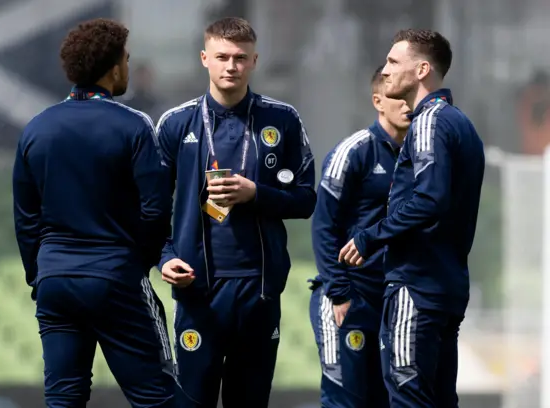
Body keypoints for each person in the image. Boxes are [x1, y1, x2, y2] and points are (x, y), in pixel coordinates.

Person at [12, 18, 175, 408]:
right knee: (159, 398)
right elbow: (156, 209)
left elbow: (26, 217)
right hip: (115, 277)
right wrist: (141, 263)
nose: (128, 68)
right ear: (114, 67)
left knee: (64, 399)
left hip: (55, 282)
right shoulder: (134, 125)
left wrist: (40, 274)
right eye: (127, 59)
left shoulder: (36, 128)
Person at [155, 17, 316, 408]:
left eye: (241, 58)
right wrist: (165, 255)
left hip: (258, 290)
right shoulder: (177, 123)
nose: (231, 66)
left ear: (255, 60)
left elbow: (306, 198)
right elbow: (152, 206)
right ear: (204, 58)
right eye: (223, 56)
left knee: (250, 402)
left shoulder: (282, 119)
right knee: (192, 401)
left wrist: (256, 193)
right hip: (197, 289)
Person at [339, 29, 485, 407]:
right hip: (447, 289)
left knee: (409, 401)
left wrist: (371, 236)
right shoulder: (461, 124)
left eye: (392, 62)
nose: (385, 71)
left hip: (416, 287)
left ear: (421, 70)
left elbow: (429, 200)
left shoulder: (429, 122)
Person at [309, 65, 411, 408]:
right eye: (397, 98)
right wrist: (339, 293)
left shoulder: (421, 155)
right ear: (377, 101)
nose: (407, 105)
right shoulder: (353, 151)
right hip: (349, 297)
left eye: (410, 97)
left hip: (393, 300)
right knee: (345, 401)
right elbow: (324, 226)